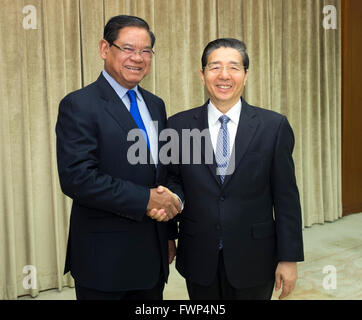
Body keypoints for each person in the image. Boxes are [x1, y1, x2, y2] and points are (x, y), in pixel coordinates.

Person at [163, 38, 304, 300]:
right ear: (203, 74)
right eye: (215, 67)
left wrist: (288, 258)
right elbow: (172, 180)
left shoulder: (273, 127)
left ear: (246, 75)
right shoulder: (178, 126)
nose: (224, 75)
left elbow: (286, 197)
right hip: (198, 255)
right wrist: (169, 234)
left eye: (234, 67)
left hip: (255, 257)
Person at [55, 15, 180, 300]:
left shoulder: (155, 105)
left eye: (145, 50)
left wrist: (168, 234)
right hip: (104, 262)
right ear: (104, 49)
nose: (138, 58)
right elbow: (78, 178)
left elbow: (163, 174)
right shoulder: (79, 105)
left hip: (153, 257)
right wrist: (146, 199)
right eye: (127, 48)